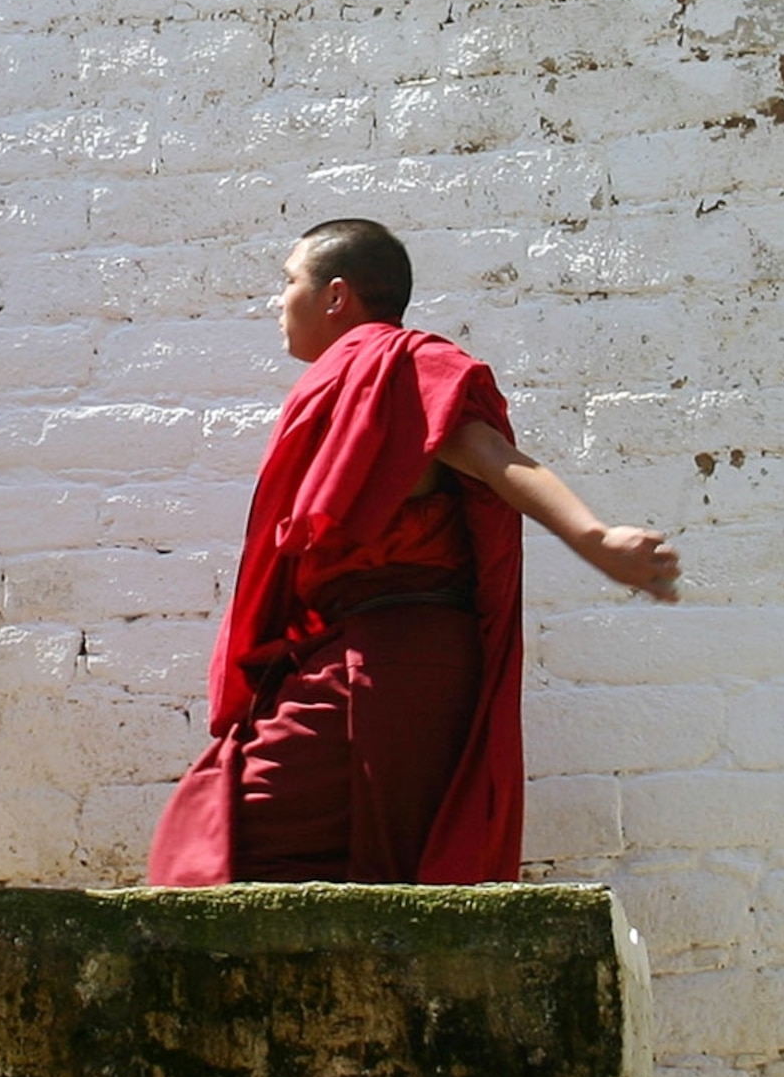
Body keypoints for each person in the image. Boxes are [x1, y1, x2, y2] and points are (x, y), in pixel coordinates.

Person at [147, 218, 681, 886]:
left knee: (231, 827)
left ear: (335, 296)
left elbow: (492, 457)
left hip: (405, 658)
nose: (276, 301)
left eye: (288, 282)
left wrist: (593, 537)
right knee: (312, 859)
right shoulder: (354, 379)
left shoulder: (400, 367)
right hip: (352, 654)